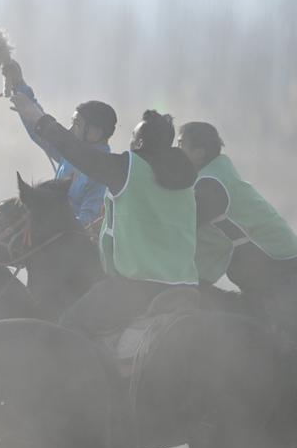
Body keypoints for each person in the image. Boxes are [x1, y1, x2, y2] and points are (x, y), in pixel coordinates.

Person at [11, 91, 199, 338]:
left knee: (66, 330)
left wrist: (36, 116)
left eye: (132, 138)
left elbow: (73, 149)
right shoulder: (187, 178)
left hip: (138, 288)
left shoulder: (127, 169)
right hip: (187, 287)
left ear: (140, 144)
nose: (129, 145)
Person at [178, 121, 297, 341]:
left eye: (181, 145)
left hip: (282, 281)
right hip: (273, 278)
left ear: (199, 153)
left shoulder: (211, 186)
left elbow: (180, 226)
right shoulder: (216, 177)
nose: (176, 151)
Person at [3, 60, 116, 228]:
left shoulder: (102, 175)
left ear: (95, 133)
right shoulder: (71, 153)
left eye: (77, 124)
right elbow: (42, 130)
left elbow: (86, 226)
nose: (70, 129)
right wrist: (19, 84)